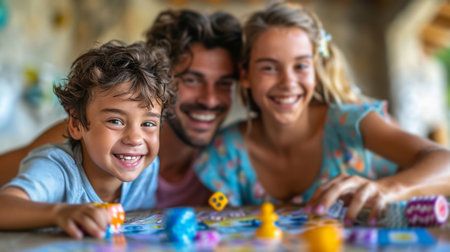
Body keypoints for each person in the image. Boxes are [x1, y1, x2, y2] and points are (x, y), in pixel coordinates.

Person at [194, 2, 450, 226]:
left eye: (301, 66)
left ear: (316, 71)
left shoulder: (352, 123)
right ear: (246, 75)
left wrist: (386, 189)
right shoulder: (226, 152)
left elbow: (445, 163)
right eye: (269, 67)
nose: (288, 82)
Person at [0, 9, 242, 208]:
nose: (210, 100)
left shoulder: (225, 161)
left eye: (224, 84)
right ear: (159, 81)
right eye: (192, 80)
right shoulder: (81, 141)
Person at [0, 40, 175, 239]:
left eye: (149, 124)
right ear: (76, 125)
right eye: (116, 121)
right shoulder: (57, 169)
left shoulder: (145, 170)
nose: (135, 139)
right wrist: (59, 213)